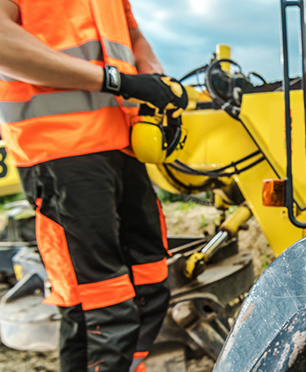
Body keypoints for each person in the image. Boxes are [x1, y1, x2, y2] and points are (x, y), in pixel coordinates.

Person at [0, 1, 187, 371]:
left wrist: (156, 84)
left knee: (148, 283)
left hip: (123, 142)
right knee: (99, 303)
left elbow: (132, 38)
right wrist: (116, 80)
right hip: (61, 148)